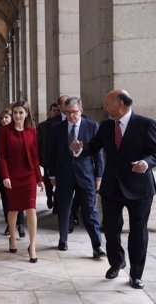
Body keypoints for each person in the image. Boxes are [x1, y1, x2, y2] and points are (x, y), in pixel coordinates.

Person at [70, 89, 156, 289]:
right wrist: (79, 150)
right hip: (112, 187)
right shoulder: (106, 126)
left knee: (138, 232)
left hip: (139, 187)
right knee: (111, 229)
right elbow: (92, 147)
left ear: (120, 104)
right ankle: (117, 262)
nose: (104, 106)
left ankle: (136, 274)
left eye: (107, 102)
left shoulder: (146, 124)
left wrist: (146, 163)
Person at [48, 96, 105, 257]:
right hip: (63, 174)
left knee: (90, 210)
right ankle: (63, 239)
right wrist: (51, 175)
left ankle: (97, 245)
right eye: (67, 113)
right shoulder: (57, 128)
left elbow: (98, 154)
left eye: (74, 112)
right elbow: (51, 153)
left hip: (86, 175)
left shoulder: (92, 126)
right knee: (64, 208)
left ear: (81, 111)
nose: (71, 116)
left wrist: (99, 176)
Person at [0, 100, 44, 263]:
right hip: (12, 174)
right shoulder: (5, 131)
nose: (17, 116)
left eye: (21, 113)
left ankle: (32, 246)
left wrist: (39, 178)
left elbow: (35, 156)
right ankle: (12, 236)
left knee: (31, 209)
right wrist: (5, 176)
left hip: (29, 174)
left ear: (26, 114)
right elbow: (1, 155)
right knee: (14, 210)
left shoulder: (32, 131)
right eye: (15, 112)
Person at [0, 108, 25, 237]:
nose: (4, 120)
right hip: (2, 169)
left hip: (17, 168)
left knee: (19, 195)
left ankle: (20, 224)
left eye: (6, 117)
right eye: (2, 118)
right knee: (6, 197)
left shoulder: (19, 130)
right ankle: (9, 224)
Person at [37, 102, 59, 209]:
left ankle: (57, 200)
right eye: (54, 110)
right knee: (47, 179)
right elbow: (39, 143)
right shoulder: (42, 126)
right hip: (46, 158)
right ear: (50, 112)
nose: (56, 112)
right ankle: (49, 196)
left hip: (58, 158)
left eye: (58, 110)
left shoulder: (61, 125)